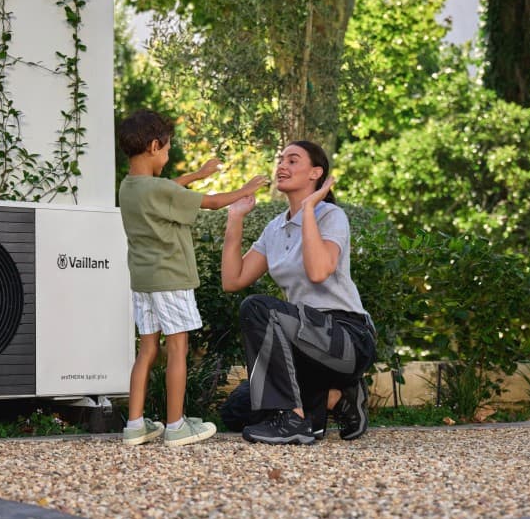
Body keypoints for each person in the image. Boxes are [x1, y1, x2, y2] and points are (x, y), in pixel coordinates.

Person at [117, 109, 269, 447]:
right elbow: (214, 203)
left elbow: (167, 189)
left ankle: (135, 425)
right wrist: (245, 188)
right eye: (168, 149)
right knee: (178, 349)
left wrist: (198, 174)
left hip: (143, 281)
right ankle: (175, 426)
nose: (168, 156)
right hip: (171, 278)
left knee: (146, 351)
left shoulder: (129, 187)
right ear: (155, 146)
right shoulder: (157, 190)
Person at [219, 140, 376, 445]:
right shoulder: (275, 228)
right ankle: (335, 398)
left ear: (316, 173)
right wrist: (235, 218)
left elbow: (318, 271)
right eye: (281, 160)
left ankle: (294, 418)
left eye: (292, 161)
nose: (282, 166)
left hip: (346, 338)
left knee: (257, 308)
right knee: (236, 411)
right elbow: (233, 280)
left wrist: (308, 210)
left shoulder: (331, 216)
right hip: (303, 343)